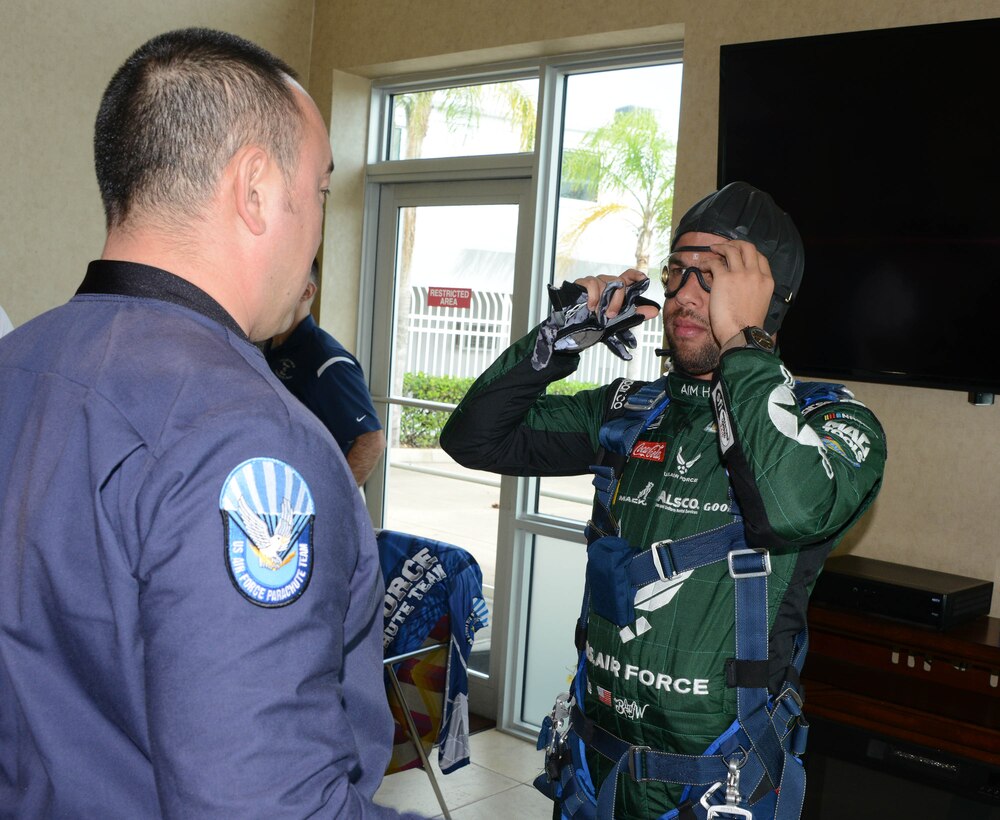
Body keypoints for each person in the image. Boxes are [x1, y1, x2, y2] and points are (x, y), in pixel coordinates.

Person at [0, 28, 425, 819]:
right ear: (256, 189)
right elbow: (266, 804)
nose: (320, 231)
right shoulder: (250, 439)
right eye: (323, 190)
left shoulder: (18, 363)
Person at [440, 181, 886, 820]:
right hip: (595, 777)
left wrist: (746, 347)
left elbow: (790, 509)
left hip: (717, 789)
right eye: (678, 272)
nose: (682, 295)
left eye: (714, 276)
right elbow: (474, 437)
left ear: (766, 295)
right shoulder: (633, 410)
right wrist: (561, 338)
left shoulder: (831, 425)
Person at [266, 259, 385, 486]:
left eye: (278, 283)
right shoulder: (266, 347)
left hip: (310, 500)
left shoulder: (327, 360)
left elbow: (372, 440)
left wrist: (337, 502)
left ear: (307, 292)